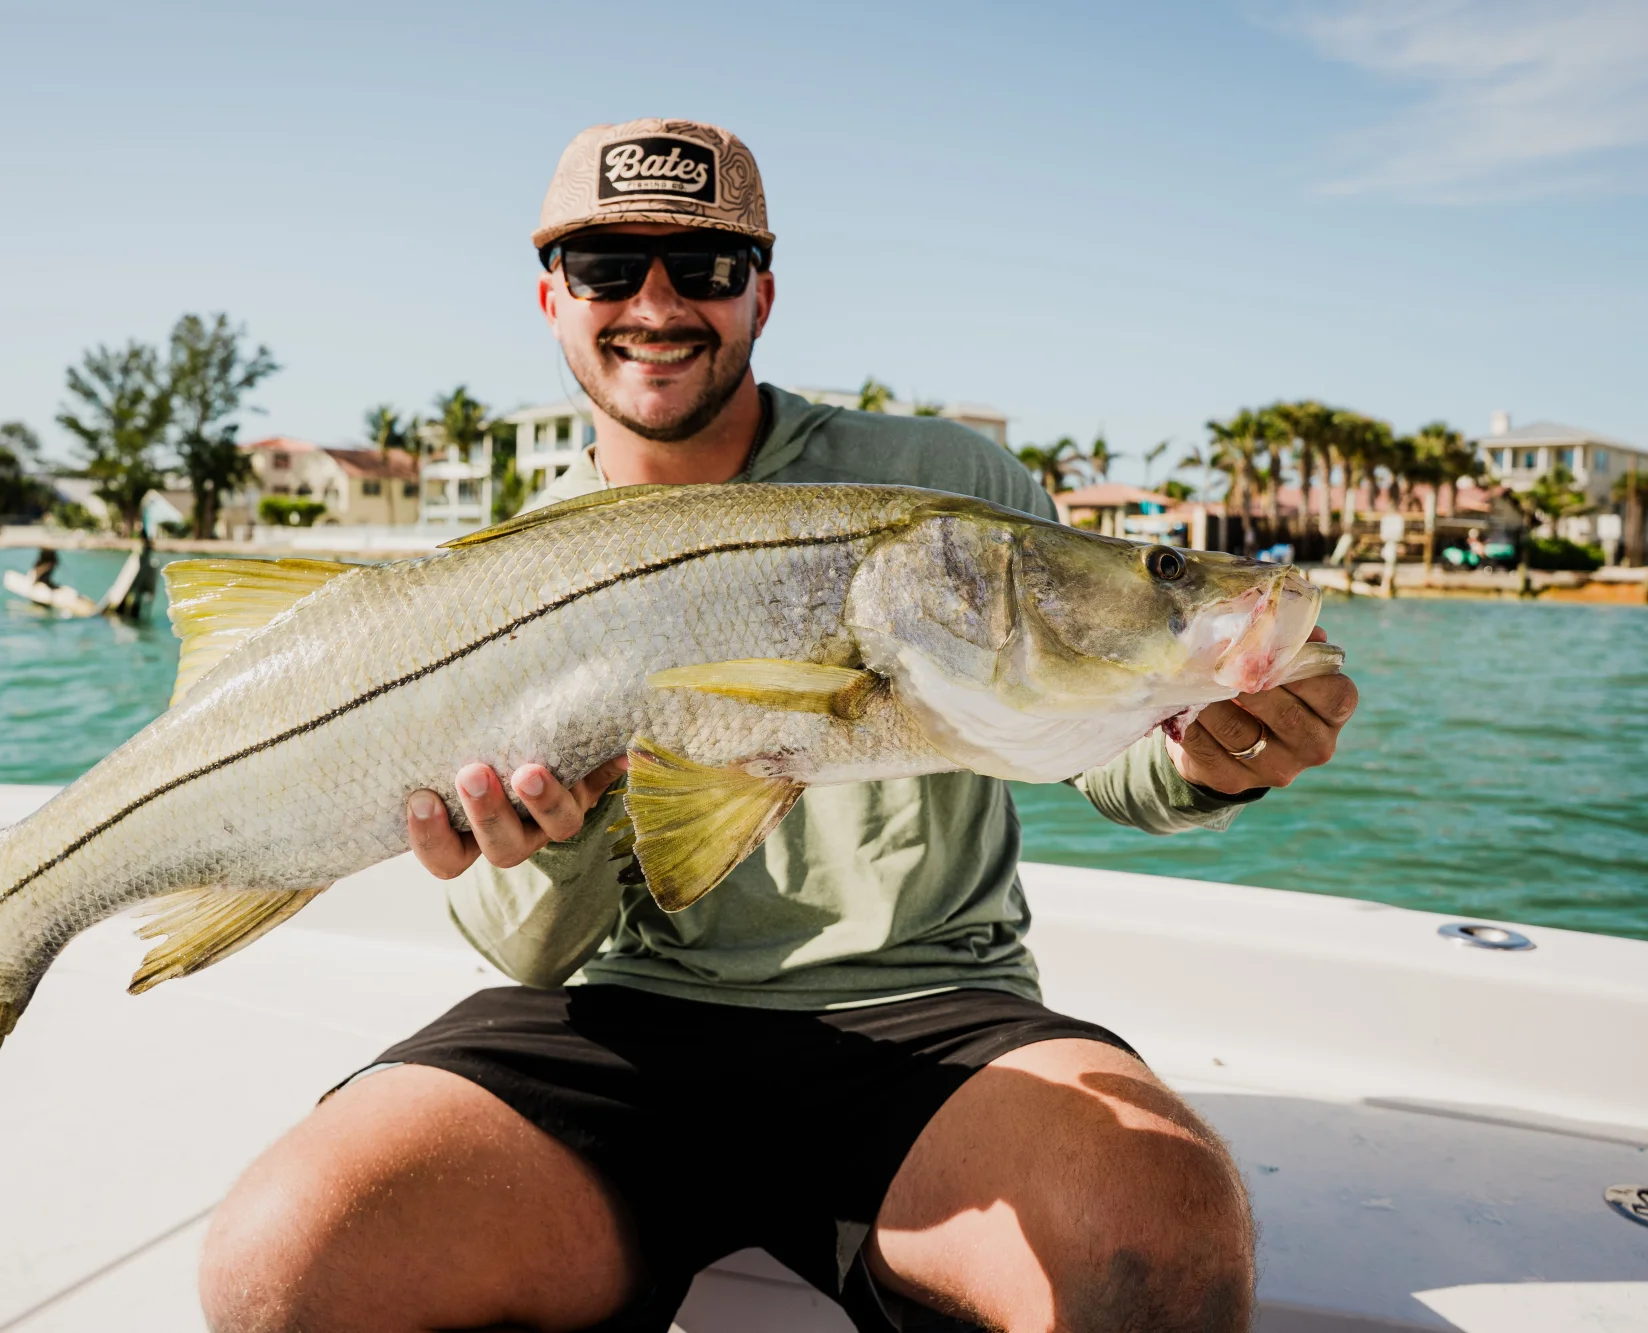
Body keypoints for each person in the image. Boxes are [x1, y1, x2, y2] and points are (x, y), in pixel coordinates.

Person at [200, 119, 1359, 1333]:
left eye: (701, 267)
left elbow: (1109, 755)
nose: (655, 302)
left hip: (931, 1009)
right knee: (285, 1264)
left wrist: (1210, 751)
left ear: (760, 291)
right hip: (614, 1016)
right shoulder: (495, 572)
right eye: (606, 267)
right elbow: (530, 951)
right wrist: (546, 836)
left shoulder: (952, 489)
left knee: (1157, 1237)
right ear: (552, 297)